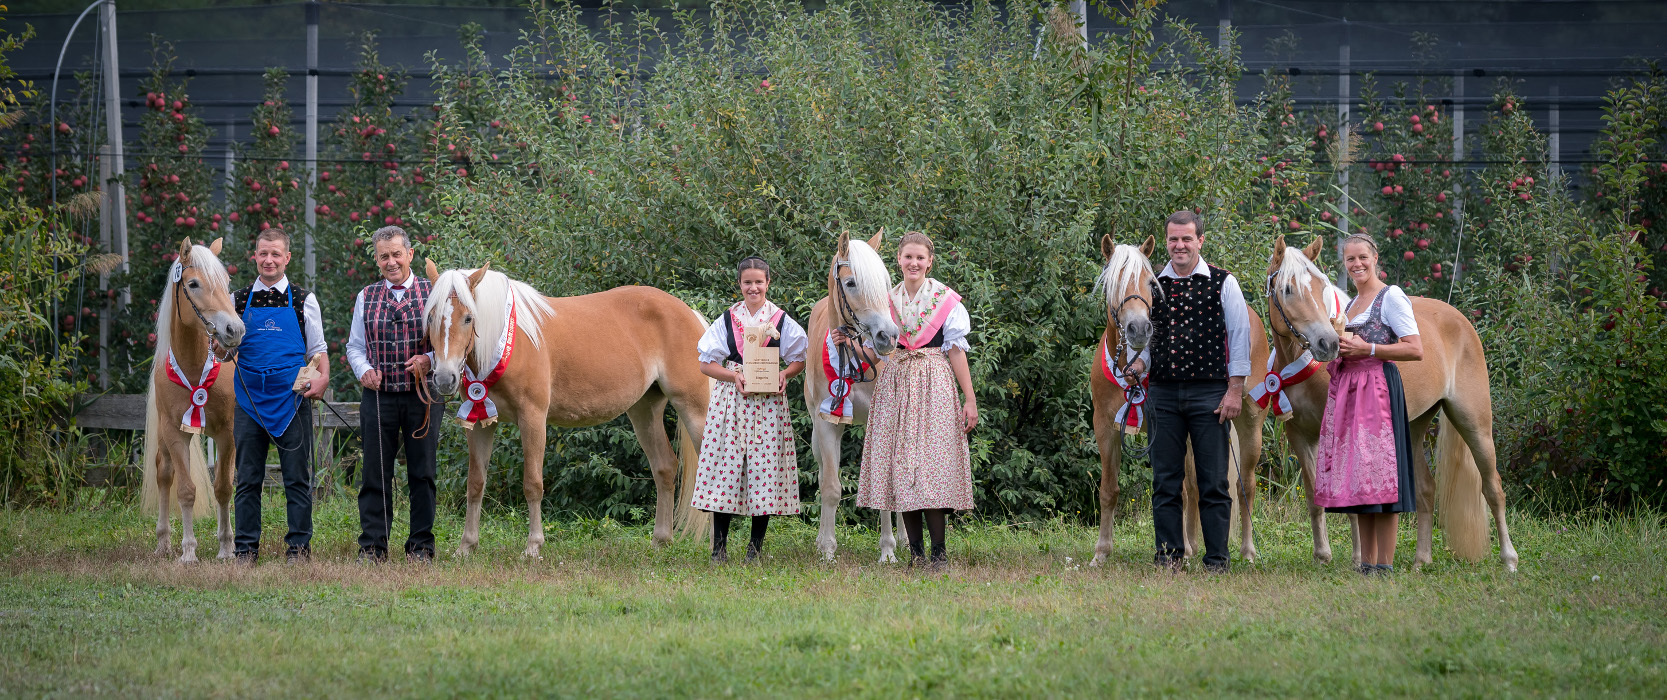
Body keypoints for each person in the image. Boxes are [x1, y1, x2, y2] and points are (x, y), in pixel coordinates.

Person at [1127, 210, 1250, 574]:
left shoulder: (1224, 282)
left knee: (1213, 481)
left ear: (1200, 241)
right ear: (1166, 242)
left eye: (1186, 239)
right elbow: (1147, 339)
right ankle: (1168, 557)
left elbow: (1239, 338)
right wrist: (1139, 364)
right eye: (1173, 239)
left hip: (1210, 394)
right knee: (1165, 481)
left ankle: (1217, 560)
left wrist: (1235, 390)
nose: (1179, 245)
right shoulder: (1152, 285)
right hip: (1163, 393)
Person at [854, 231, 978, 570]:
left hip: (934, 385)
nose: (914, 263)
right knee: (902, 470)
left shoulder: (945, 299)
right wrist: (848, 344)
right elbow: (878, 353)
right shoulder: (885, 301)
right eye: (908, 257)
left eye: (920, 258)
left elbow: (954, 350)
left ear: (929, 262)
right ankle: (917, 555)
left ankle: (939, 554)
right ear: (898, 259)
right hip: (895, 386)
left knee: (930, 471)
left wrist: (969, 398)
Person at [1314, 233, 1423, 575]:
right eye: (1350, 259)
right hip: (1349, 391)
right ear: (1343, 265)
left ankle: (1385, 566)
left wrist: (1369, 349)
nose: (1357, 264)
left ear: (1375, 258)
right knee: (1359, 477)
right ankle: (1366, 565)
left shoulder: (1391, 297)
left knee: (1381, 474)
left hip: (1378, 390)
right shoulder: (1348, 307)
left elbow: (1414, 348)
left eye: (1362, 257)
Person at [691, 256, 808, 563]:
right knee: (726, 472)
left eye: (759, 281)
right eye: (747, 282)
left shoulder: (780, 320)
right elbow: (705, 364)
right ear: (739, 285)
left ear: (768, 283)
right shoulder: (728, 320)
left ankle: (754, 549)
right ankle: (719, 549)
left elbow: (800, 358)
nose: (753, 287)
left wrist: (785, 374)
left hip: (768, 406)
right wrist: (734, 376)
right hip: (731, 403)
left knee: (764, 473)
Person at [230, 228, 329, 565]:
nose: (269, 260)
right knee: (246, 481)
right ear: (254, 257)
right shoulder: (237, 300)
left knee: (297, 479)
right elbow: (224, 350)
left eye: (276, 254)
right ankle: (244, 551)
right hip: (249, 403)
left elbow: (318, 351)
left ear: (287, 258)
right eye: (263, 253)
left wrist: (322, 380)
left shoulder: (304, 300)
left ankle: (299, 551)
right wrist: (218, 348)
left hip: (292, 402)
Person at [344, 226, 438, 563]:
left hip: (422, 397)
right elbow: (354, 347)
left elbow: (451, 345)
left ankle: (421, 546)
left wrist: (430, 359)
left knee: (422, 471)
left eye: (396, 254)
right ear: (377, 259)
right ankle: (372, 546)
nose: (391, 261)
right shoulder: (366, 296)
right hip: (379, 396)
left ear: (410, 255)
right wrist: (363, 369)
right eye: (384, 256)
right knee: (374, 472)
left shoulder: (434, 293)